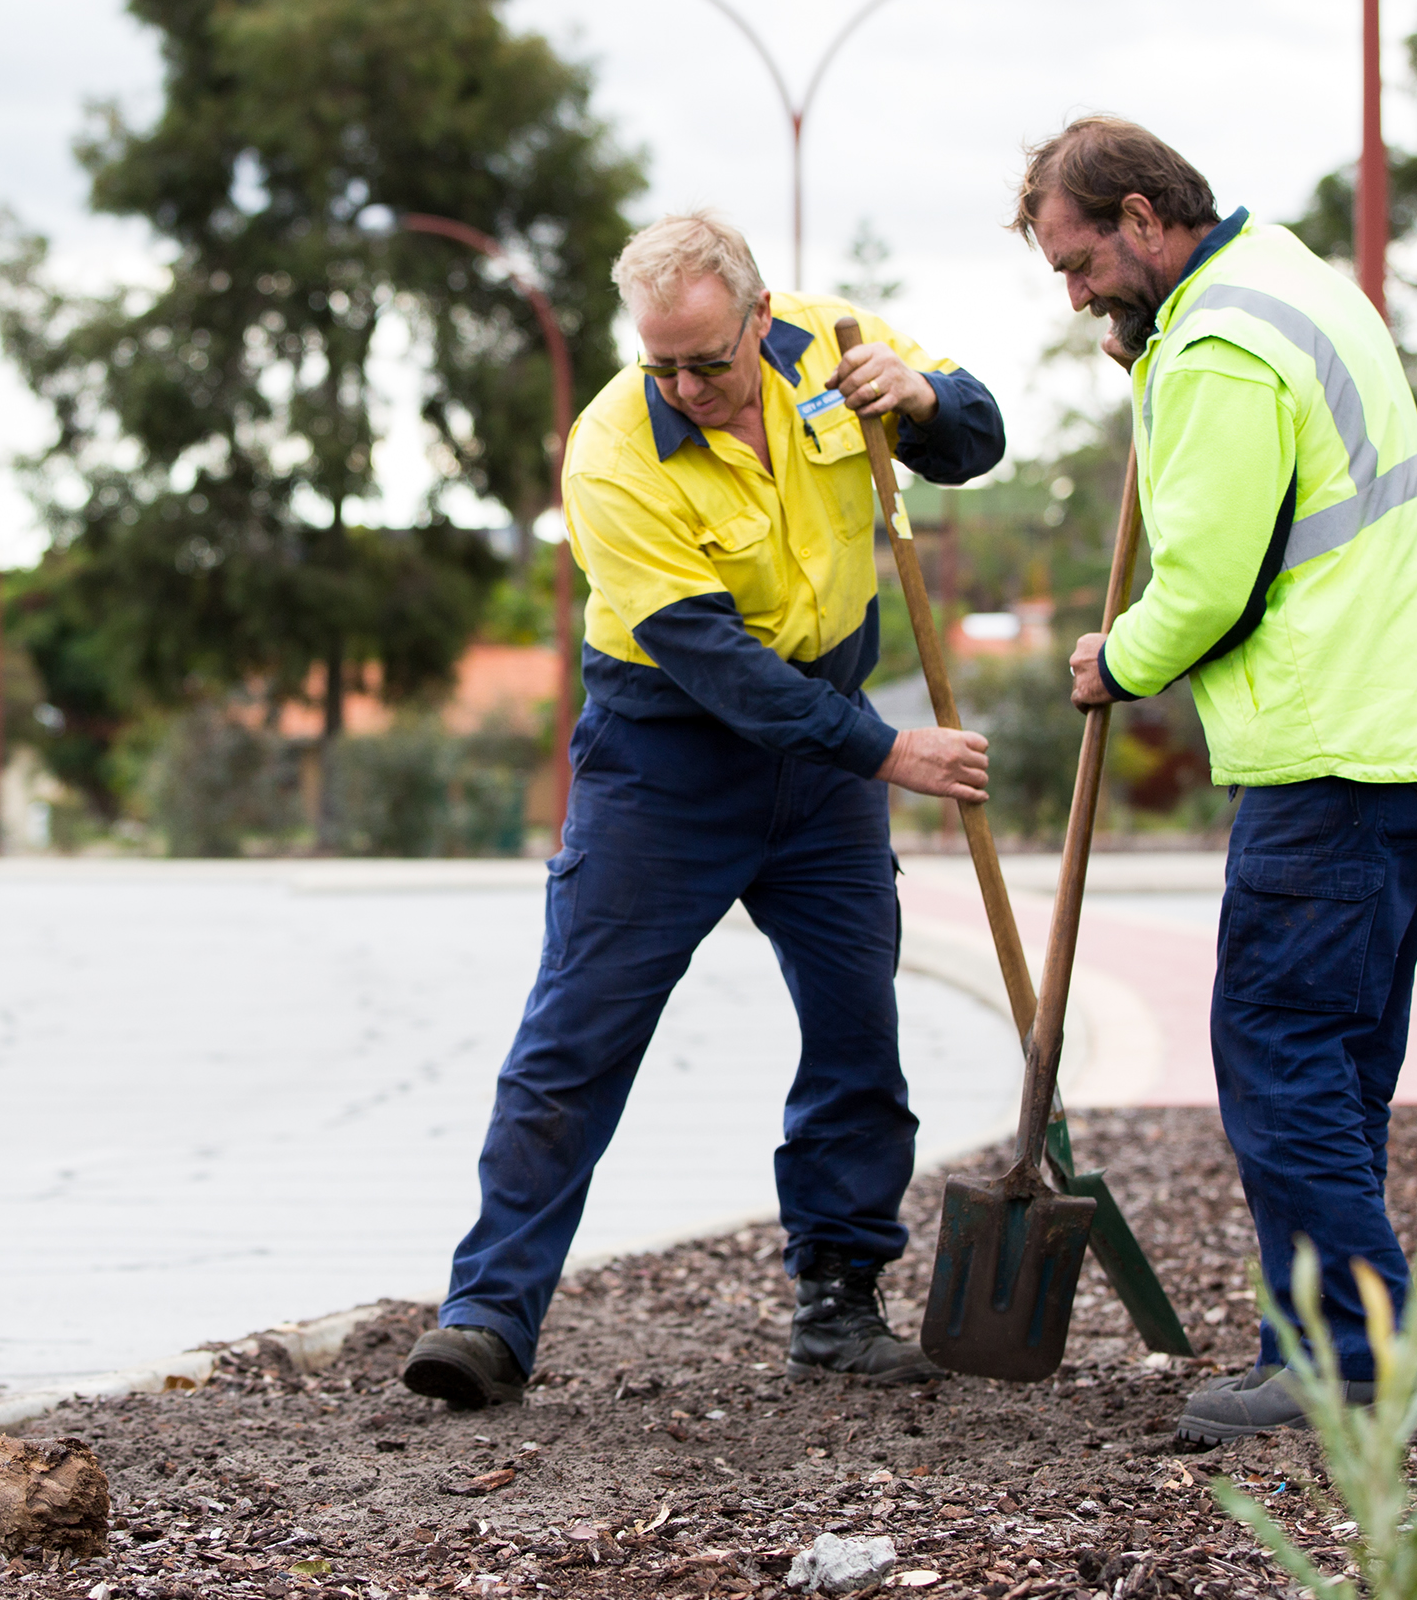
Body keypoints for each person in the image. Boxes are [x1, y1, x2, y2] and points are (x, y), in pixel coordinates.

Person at [400, 211, 1007, 1409]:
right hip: (667, 761)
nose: (684, 385)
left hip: (823, 765)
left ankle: (838, 1299)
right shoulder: (614, 452)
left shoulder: (834, 346)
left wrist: (928, 398)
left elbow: (976, 442)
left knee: (855, 1030)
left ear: (761, 317)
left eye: (707, 362)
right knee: (578, 1037)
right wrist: (891, 752)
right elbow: (718, 665)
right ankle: (489, 1315)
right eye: (659, 362)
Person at [1012, 117, 1417, 1445]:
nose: (1074, 296)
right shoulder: (1285, 282)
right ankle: (1349, 1337)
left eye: (1079, 263)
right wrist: (1140, 354)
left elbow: (1212, 586)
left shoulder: (1218, 347)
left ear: (1138, 214)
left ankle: (1350, 1360)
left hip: (1330, 747)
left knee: (1282, 1055)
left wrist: (1113, 658)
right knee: (1340, 1066)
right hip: (1414, 735)